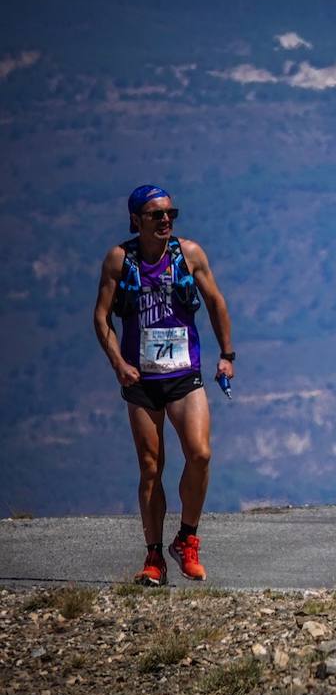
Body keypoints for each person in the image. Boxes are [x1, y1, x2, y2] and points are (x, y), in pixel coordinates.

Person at [93, 185, 236, 586]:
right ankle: (153, 556)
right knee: (151, 467)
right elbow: (101, 317)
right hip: (141, 378)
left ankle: (187, 539)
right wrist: (118, 363)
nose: (166, 220)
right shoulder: (120, 260)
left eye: (171, 213)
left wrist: (227, 355)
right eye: (156, 215)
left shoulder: (188, 255)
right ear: (136, 219)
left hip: (183, 373)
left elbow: (215, 302)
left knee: (201, 454)